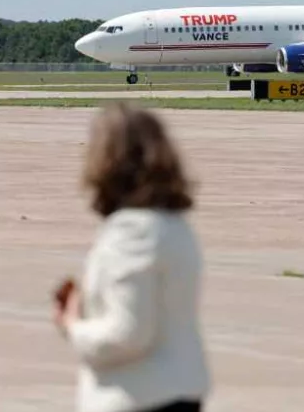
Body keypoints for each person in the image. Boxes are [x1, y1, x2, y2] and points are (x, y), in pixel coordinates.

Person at [53, 103, 210, 412]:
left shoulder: (133, 232)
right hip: (181, 391)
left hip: (137, 398)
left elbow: (128, 333)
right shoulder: (175, 225)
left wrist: (72, 324)